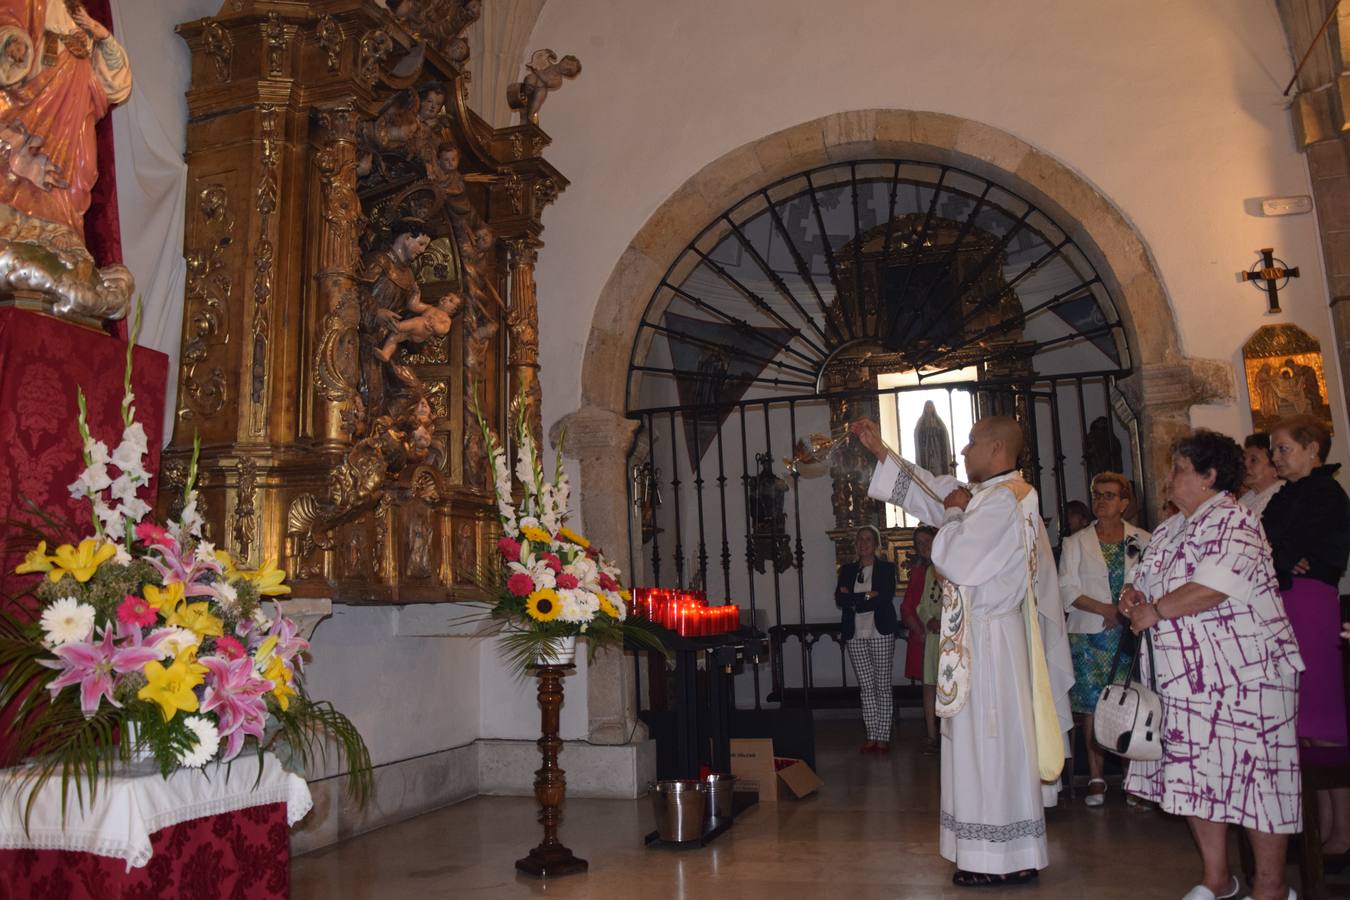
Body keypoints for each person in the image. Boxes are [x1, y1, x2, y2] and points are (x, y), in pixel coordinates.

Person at [851, 416, 1073, 888]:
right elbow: (935, 489)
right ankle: (1006, 852)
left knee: (986, 747)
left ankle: (993, 857)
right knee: (992, 747)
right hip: (988, 641)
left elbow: (955, 557)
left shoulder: (1003, 502)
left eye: (971, 444)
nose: (963, 452)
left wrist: (952, 514)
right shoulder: (998, 495)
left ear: (996, 449)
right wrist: (880, 450)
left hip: (988, 647)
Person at [1118, 430, 1303, 900]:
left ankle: (1271, 887)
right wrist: (1132, 596)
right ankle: (1218, 879)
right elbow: (1142, 578)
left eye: (1180, 468)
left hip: (1247, 676)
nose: (1170, 477)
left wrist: (1155, 610)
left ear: (1209, 476)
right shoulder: (1170, 527)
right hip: (1187, 680)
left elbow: (1213, 586)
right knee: (1197, 776)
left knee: (1257, 781)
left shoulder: (1235, 520)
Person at [1263, 414, 1350, 855]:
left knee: (1323, 714)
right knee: (1301, 722)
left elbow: (1313, 547)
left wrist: (1286, 556)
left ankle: (1344, 830)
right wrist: (1284, 558)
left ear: (1313, 448)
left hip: (1313, 604)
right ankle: (1319, 828)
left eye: (1283, 448)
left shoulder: (1327, 493)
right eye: (1274, 449)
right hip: (1287, 602)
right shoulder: (1283, 496)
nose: (1275, 456)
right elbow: (1265, 542)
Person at [0, 0, 131, 239]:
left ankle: (60, 229)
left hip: (79, 100)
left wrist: (102, 37)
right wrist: (12, 41)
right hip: (40, 91)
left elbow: (116, 84)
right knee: (25, 155)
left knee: (82, 169)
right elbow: (8, 20)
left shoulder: (76, 9)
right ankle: (20, 226)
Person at [1057, 471, 1150, 808]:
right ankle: (1096, 777)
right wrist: (1107, 610)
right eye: (1097, 494)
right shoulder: (1075, 542)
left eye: (1110, 495)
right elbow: (1066, 589)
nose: (1101, 500)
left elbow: (1150, 583)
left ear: (1124, 502)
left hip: (1128, 633)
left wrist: (1124, 613)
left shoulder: (1143, 539)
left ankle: (1133, 779)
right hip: (1090, 634)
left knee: (1128, 704)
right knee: (1094, 706)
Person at [835, 525, 898, 753]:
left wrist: (855, 599)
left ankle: (883, 736)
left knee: (882, 685)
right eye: (860, 540)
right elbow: (840, 599)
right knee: (866, 686)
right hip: (855, 632)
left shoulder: (886, 568)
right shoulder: (848, 570)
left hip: (879, 630)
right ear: (856, 544)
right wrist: (866, 596)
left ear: (876, 544)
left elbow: (885, 597)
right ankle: (871, 734)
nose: (864, 544)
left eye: (869, 539)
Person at [899, 524, 942, 753]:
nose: (925, 547)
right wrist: (928, 621)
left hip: (949, 635)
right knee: (929, 686)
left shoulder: (952, 566)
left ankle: (950, 734)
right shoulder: (926, 572)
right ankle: (932, 736)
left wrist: (944, 620)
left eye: (928, 541)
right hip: (932, 635)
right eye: (920, 544)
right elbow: (921, 605)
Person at [1239, 433, 1282, 515]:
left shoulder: (1282, 498)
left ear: (1275, 469)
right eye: (1244, 459)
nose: (1245, 464)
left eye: (1253, 460)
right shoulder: (1246, 498)